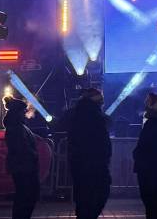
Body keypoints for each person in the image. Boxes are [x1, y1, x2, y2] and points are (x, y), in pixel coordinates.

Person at [68, 88, 112, 219]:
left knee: (83, 198)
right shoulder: (96, 117)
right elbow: (100, 142)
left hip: (80, 164)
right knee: (97, 196)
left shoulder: (76, 114)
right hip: (95, 164)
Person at [3, 96, 40, 219]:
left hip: (23, 166)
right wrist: (33, 154)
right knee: (26, 196)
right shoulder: (16, 127)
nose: (25, 114)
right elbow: (21, 147)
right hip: (23, 166)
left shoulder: (17, 126)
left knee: (24, 196)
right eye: (23, 112)